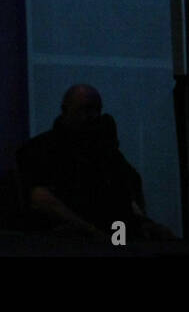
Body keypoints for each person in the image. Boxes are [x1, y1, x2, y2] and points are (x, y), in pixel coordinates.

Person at [16, 84, 174, 242]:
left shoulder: (105, 152)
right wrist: (96, 234)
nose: (93, 116)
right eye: (85, 109)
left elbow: (125, 192)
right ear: (65, 110)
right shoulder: (39, 149)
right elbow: (42, 201)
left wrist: (144, 224)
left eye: (97, 109)